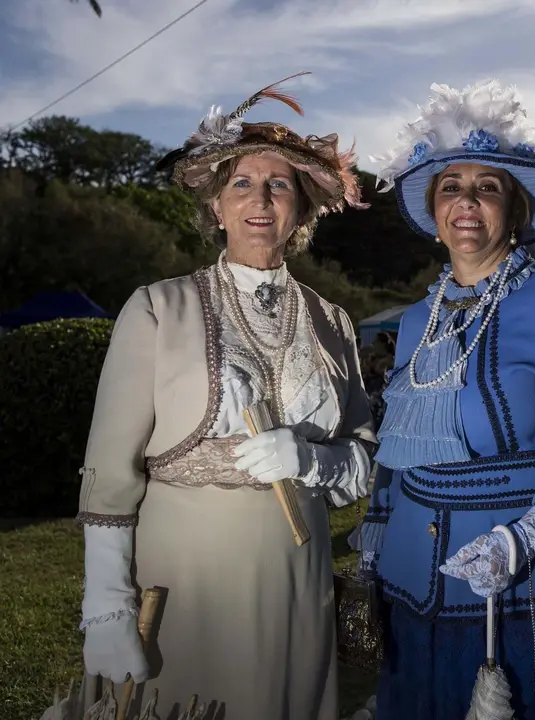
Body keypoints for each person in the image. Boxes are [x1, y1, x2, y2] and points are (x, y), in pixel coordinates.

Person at [75, 76, 374, 719]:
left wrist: (311, 461)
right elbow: (108, 473)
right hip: (185, 586)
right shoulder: (158, 307)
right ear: (215, 205)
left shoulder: (334, 323)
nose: (260, 199)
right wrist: (105, 603)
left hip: (299, 587)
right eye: (242, 182)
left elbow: (363, 461)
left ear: (302, 208)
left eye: (279, 185)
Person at [356, 80, 535, 719]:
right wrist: (375, 545)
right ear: (434, 210)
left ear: (513, 210)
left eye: (486, 187)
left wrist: (526, 538)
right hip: (413, 591)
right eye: (450, 188)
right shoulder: (413, 321)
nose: (466, 202)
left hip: (527, 596)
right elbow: (399, 447)